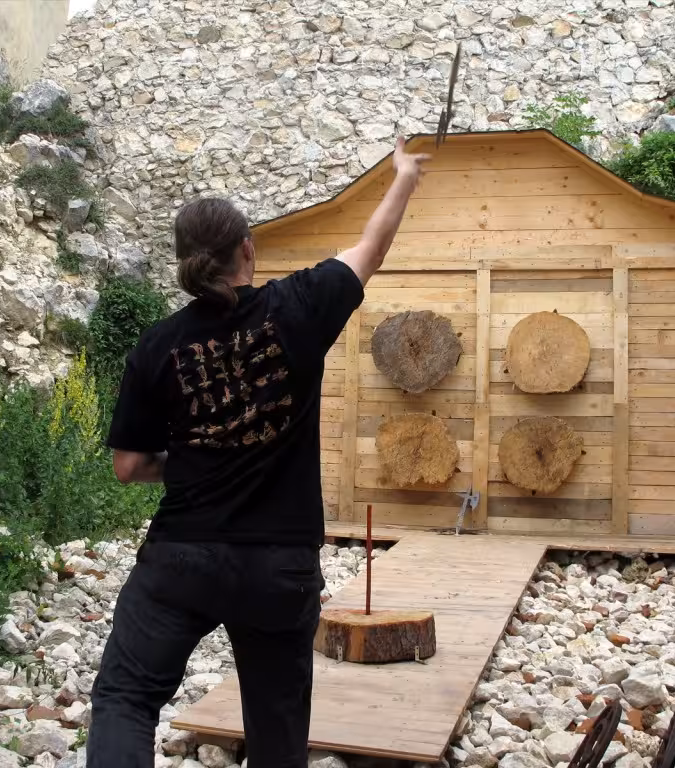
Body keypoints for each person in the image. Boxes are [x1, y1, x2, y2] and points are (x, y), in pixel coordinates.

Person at [86, 137, 431, 768]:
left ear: (185, 262)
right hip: (279, 567)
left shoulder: (156, 346)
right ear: (249, 248)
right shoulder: (298, 306)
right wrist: (403, 176)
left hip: (182, 557)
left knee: (126, 699)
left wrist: (191, 461)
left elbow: (129, 466)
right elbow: (371, 249)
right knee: (276, 730)